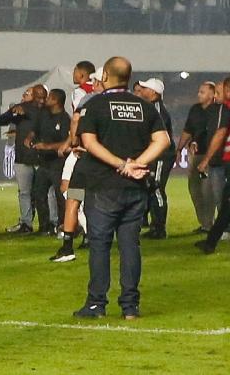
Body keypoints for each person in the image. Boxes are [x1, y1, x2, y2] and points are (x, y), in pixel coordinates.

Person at [73, 56, 170, 320]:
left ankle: (96, 304)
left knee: (100, 245)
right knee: (130, 245)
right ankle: (130, 306)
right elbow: (163, 140)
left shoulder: (95, 105)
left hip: (103, 186)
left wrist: (121, 164)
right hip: (135, 187)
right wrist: (137, 163)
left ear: (105, 76)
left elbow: (89, 143)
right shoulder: (144, 107)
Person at [53, 60, 102, 263]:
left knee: (71, 194)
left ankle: (69, 245)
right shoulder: (125, 101)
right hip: (107, 157)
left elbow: (76, 120)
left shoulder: (85, 96)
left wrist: (73, 142)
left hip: (84, 154)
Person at [0, 84, 47, 233]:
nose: (24, 95)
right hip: (23, 157)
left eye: (27, 93)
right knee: (24, 192)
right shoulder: (21, 109)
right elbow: (1, 120)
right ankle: (26, 223)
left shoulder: (47, 110)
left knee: (44, 193)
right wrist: (12, 112)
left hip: (42, 157)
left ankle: (50, 223)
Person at [180, 79, 226, 236]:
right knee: (195, 190)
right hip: (198, 156)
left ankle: (214, 225)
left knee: (209, 191)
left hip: (212, 157)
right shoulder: (196, 110)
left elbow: (217, 134)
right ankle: (206, 224)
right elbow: (189, 130)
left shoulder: (218, 110)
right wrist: (181, 147)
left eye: (202, 92)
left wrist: (207, 156)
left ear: (212, 94)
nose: (198, 94)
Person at [135, 78, 173, 239]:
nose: (141, 91)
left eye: (145, 88)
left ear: (153, 93)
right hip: (156, 155)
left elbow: (158, 136)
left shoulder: (156, 110)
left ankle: (159, 228)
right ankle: (155, 226)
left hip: (161, 156)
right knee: (152, 188)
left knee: (156, 188)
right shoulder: (151, 108)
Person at [33, 88, 72, 234]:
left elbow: (66, 143)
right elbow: (36, 130)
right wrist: (31, 137)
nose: (46, 99)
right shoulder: (45, 115)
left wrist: (47, 146)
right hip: (44, 162)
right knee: (38, 194)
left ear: (56, 100)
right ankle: (44, 226)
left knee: (60, 196)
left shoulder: (65, 119)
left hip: (57, 163)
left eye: (49, 97)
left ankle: (62, 225)